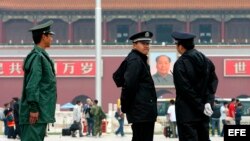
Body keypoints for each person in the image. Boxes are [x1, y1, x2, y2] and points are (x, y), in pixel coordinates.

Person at [171, 31, 218, 141]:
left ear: (181, 47)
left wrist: (200, 105)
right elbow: (213, 82)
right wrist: (207, 102)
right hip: (203, 114)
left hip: (187, 113)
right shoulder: (206, 61)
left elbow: (185, 89)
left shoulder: (180, 63)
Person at [19, 20, 57, 141]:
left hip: (41, 112)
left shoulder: (41, 56)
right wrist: (34, 109)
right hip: (36, 113)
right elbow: (32, 85)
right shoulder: (37, 57)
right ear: (43, 36)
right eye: (50, 35)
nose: (52, 38)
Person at [121, 31, 157, 141]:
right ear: (134, 44)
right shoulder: (135, 60)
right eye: (143, 43)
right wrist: (126, 106)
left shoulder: (140, 59)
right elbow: (129, 85)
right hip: (140, 111)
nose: (146, 46)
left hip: (143, 111)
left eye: (147, 43)